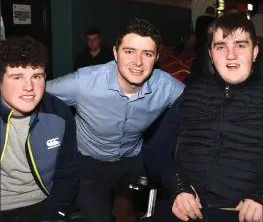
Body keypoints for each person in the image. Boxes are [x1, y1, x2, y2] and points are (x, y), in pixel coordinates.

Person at [45, 18, 185, 222]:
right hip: (90, 162)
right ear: (115, 53)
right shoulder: (84, 82)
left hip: (134, 159)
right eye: (129, 51)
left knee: (149, 214)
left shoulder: (166, 86)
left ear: (156, 58)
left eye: (147, 54)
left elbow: (199, 106)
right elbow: (36, 92)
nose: (138, 62)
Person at [144, 13, 263, 222]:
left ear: (255, 52)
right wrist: (177, 185)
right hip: (186, 209)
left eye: (241, 46)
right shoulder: (191, 95)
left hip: (245, 213)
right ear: (210, 54)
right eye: (221, 47)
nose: (231, 55)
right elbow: (156, 148)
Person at [0, 37, 78, 222]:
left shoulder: (58, 113)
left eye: (36, 76)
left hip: (44, 204)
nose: (29, 87)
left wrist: (57, 214)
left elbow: (67, 173)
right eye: (17, 77)